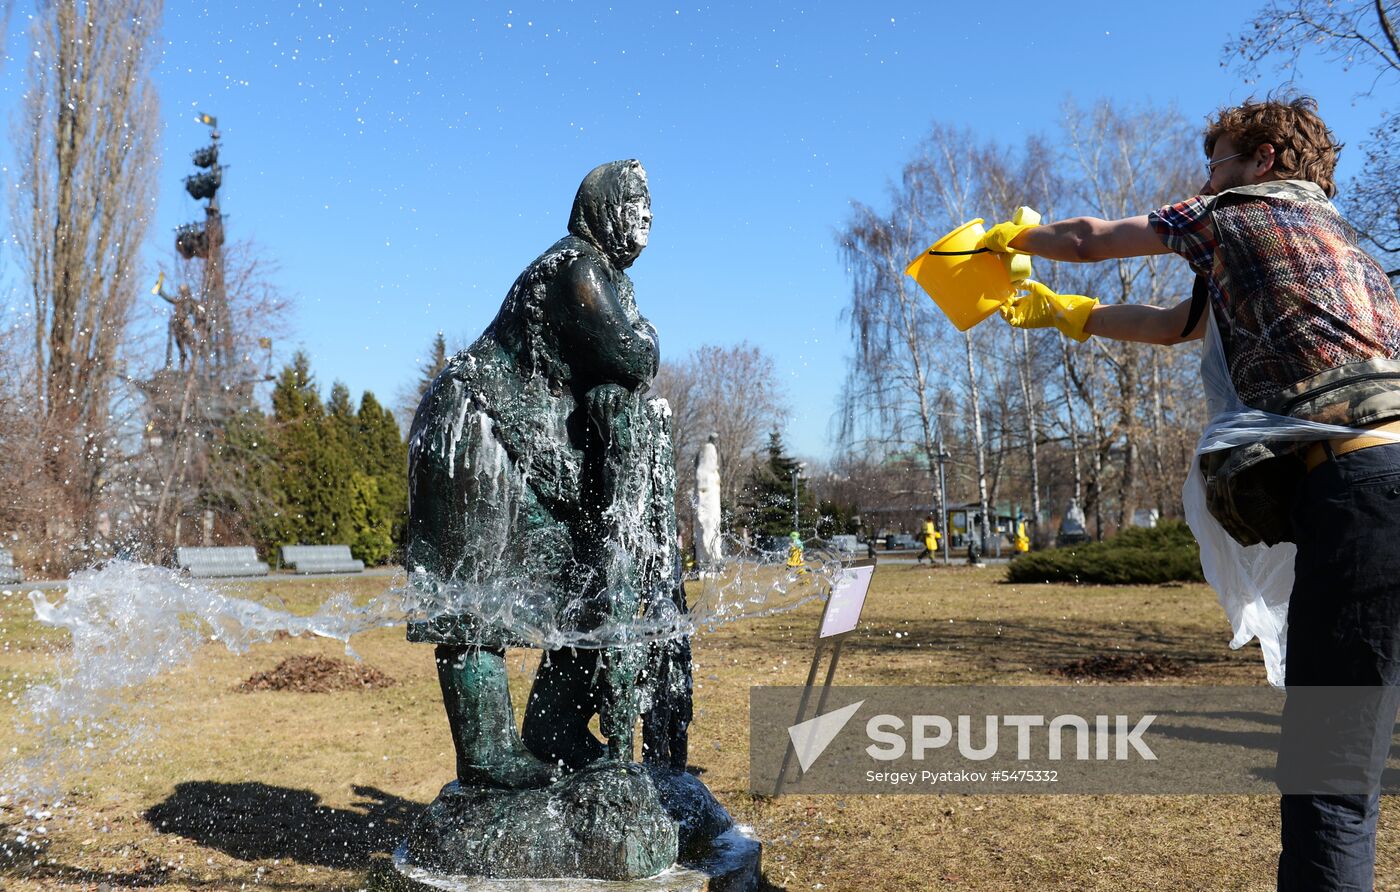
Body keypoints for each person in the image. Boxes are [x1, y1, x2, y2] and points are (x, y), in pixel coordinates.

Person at [981, 95, 1400, 891]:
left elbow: (1088, 239)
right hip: (1385, 480)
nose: (1205, 180)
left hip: (1362, 494)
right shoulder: (1338, 242)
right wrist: (1065, 315)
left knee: (1330, 775)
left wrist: (1008, 239)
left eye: (1217, 163)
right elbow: (1178, 323)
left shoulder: (1233, 213)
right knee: (1353, 754)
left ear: (1264, 160)